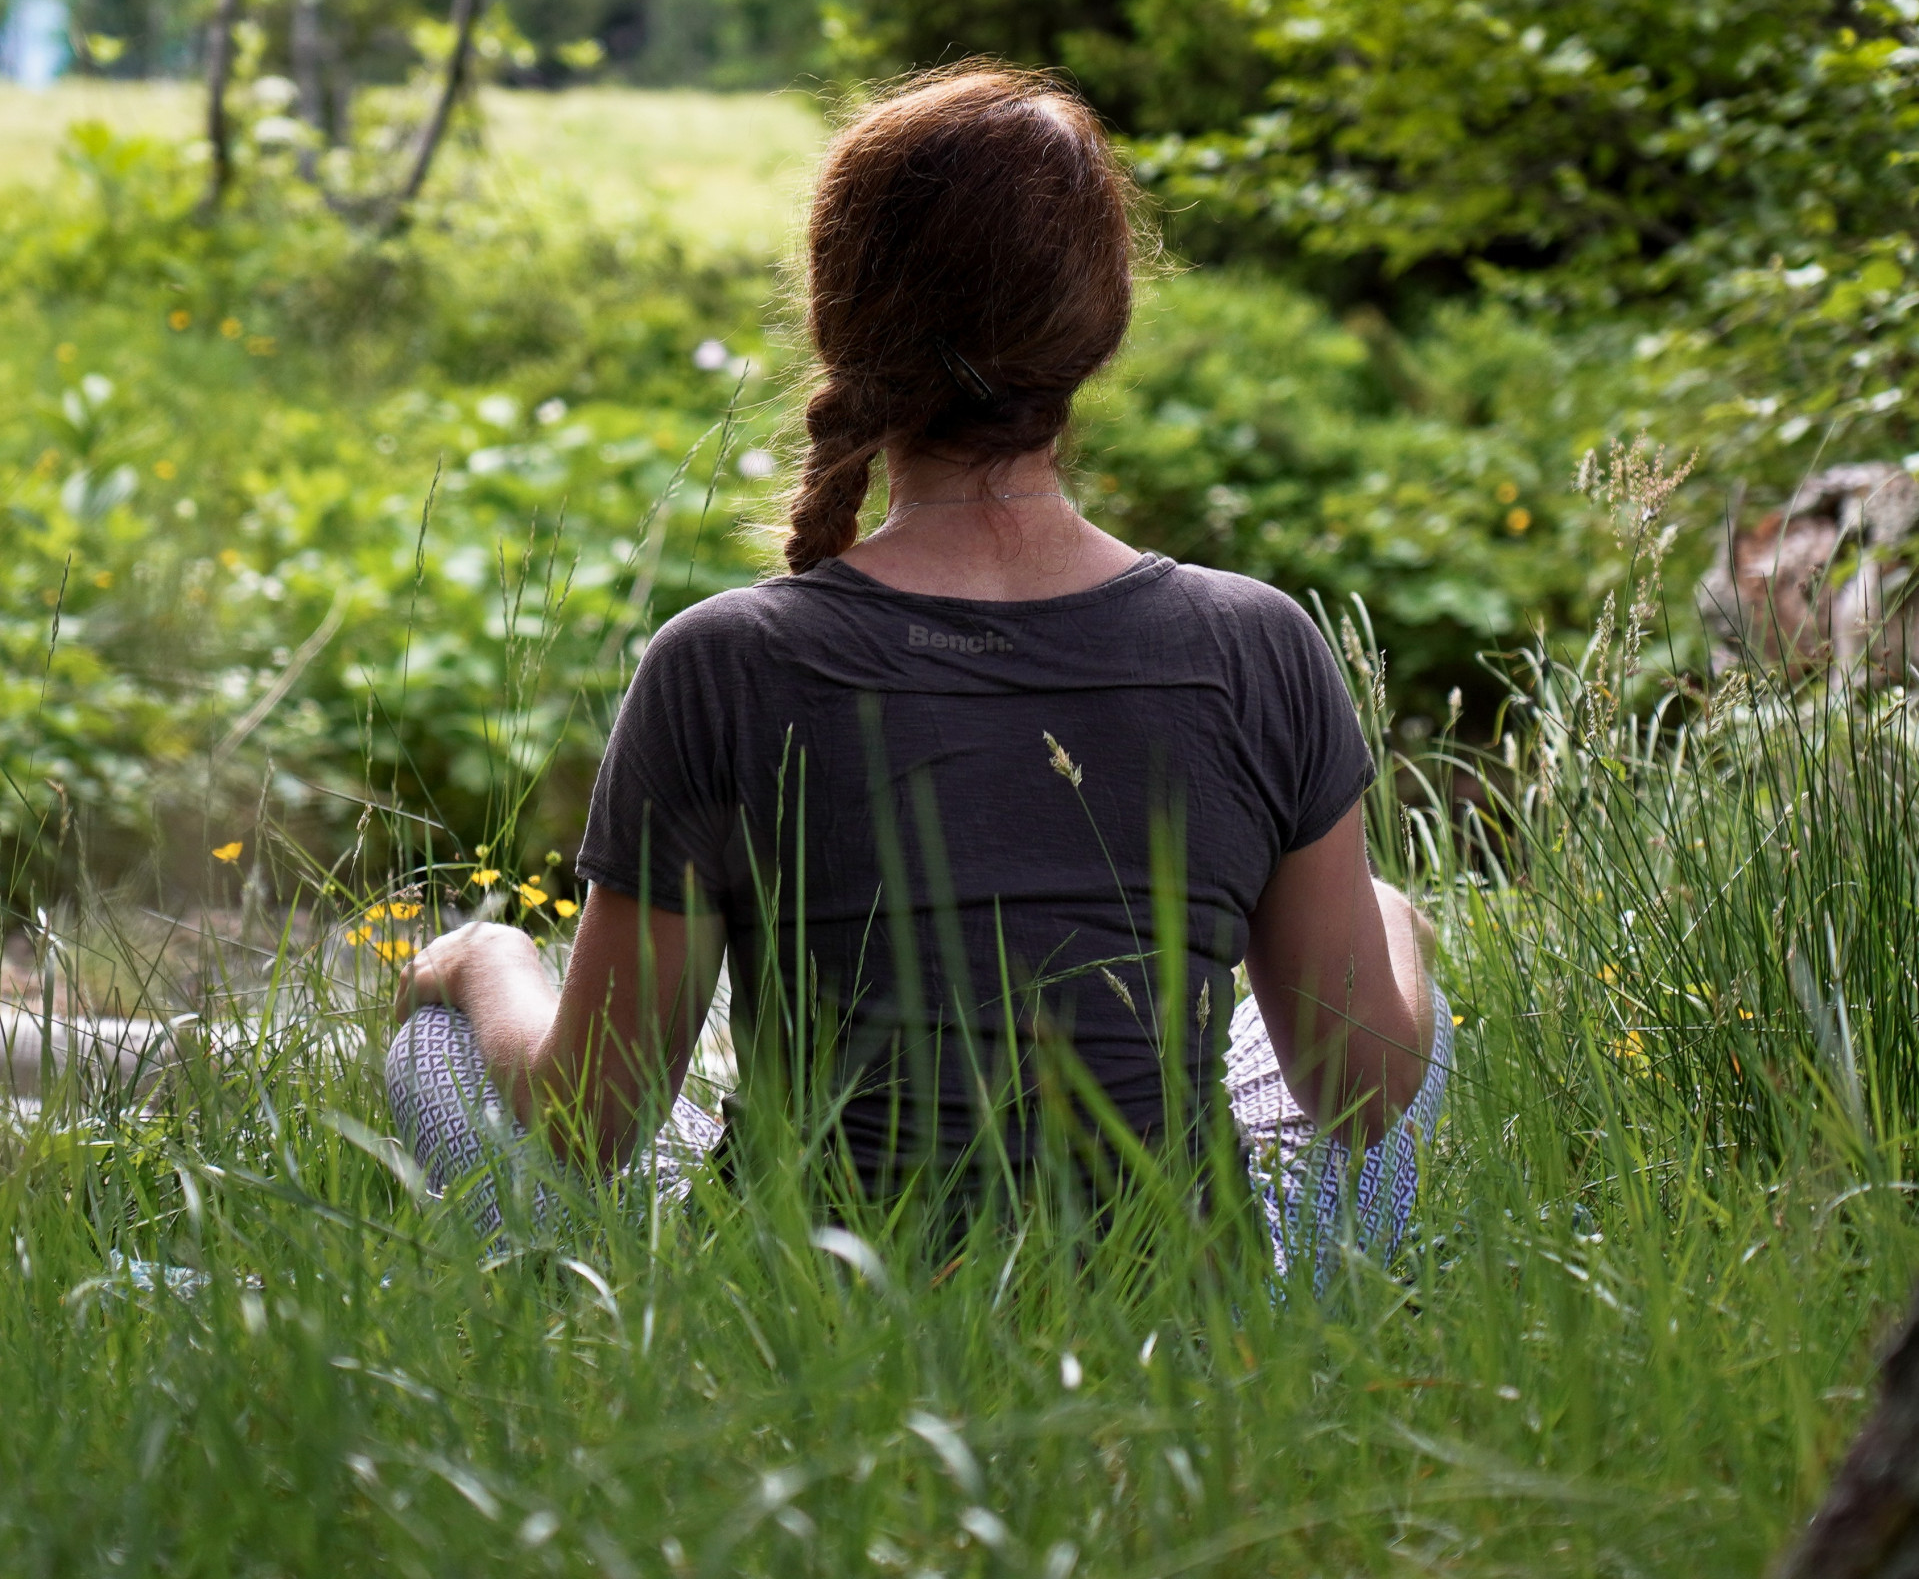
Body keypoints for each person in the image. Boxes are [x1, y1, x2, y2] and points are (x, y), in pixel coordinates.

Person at [388, 66, 1449, 1272]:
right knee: (1398, 986)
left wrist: (487, 962)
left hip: (796, 1303)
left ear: (840, 320)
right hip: (1183, 1323)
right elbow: (1360, 1098)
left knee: (438, 1040)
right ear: (1096, 332)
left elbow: (590, 1122)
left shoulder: (722, 661)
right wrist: (1390, 928)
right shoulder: (1256, 643)